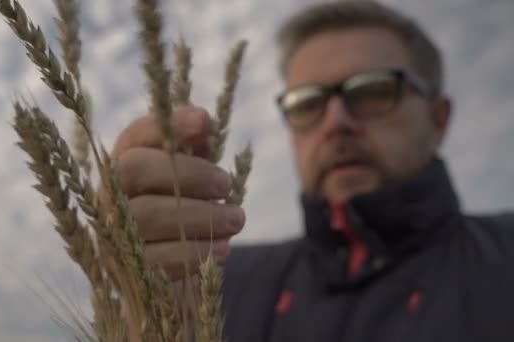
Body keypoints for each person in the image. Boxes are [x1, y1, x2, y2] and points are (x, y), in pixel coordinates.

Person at [110, 1, 514, 341]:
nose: (336, 121)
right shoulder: (217, 278)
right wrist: (147, 308)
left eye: (372, 90)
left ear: (438, 118)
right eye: (307, 102)